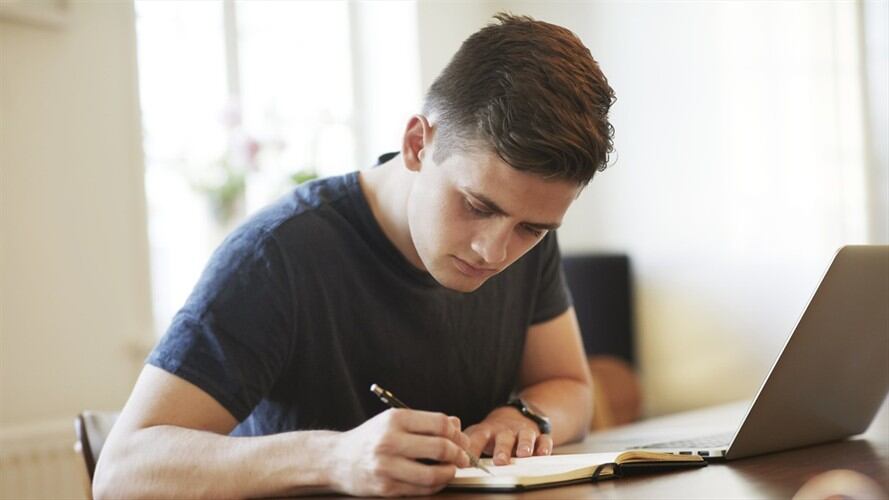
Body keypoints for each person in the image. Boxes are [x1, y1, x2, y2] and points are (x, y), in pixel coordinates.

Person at [94, 13, 616, 498]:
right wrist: (335, 457)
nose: (495, 250)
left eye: (532, 228)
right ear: (417, 144)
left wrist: (524, 417)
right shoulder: (275, 256)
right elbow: (120, 471)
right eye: (478, 205)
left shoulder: (524, 239)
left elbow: (570, 387)